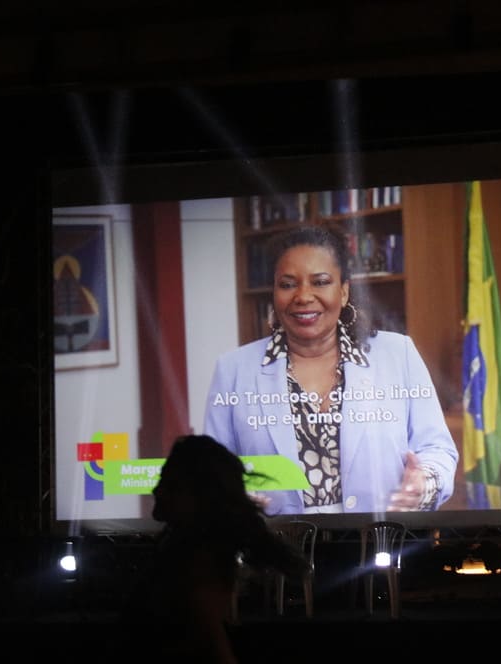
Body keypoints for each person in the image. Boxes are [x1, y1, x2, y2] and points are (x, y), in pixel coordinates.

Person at [204, 225, 458, 515]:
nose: (303, 296)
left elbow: (438, 450)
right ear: (274, 293)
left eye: (320, 282)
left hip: (383, 534)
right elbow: (210, 469)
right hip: (273, 540)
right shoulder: (233, 370)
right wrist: (232, 495)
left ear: (344, 291)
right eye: (287, 284)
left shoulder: (398, 354)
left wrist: (423, 485)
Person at [119, 434, 306, 663]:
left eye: (171, 485)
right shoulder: (182, 550)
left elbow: (211, 640)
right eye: (162, 480)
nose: (157, 490)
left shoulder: (197, 562)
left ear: (201, 496)